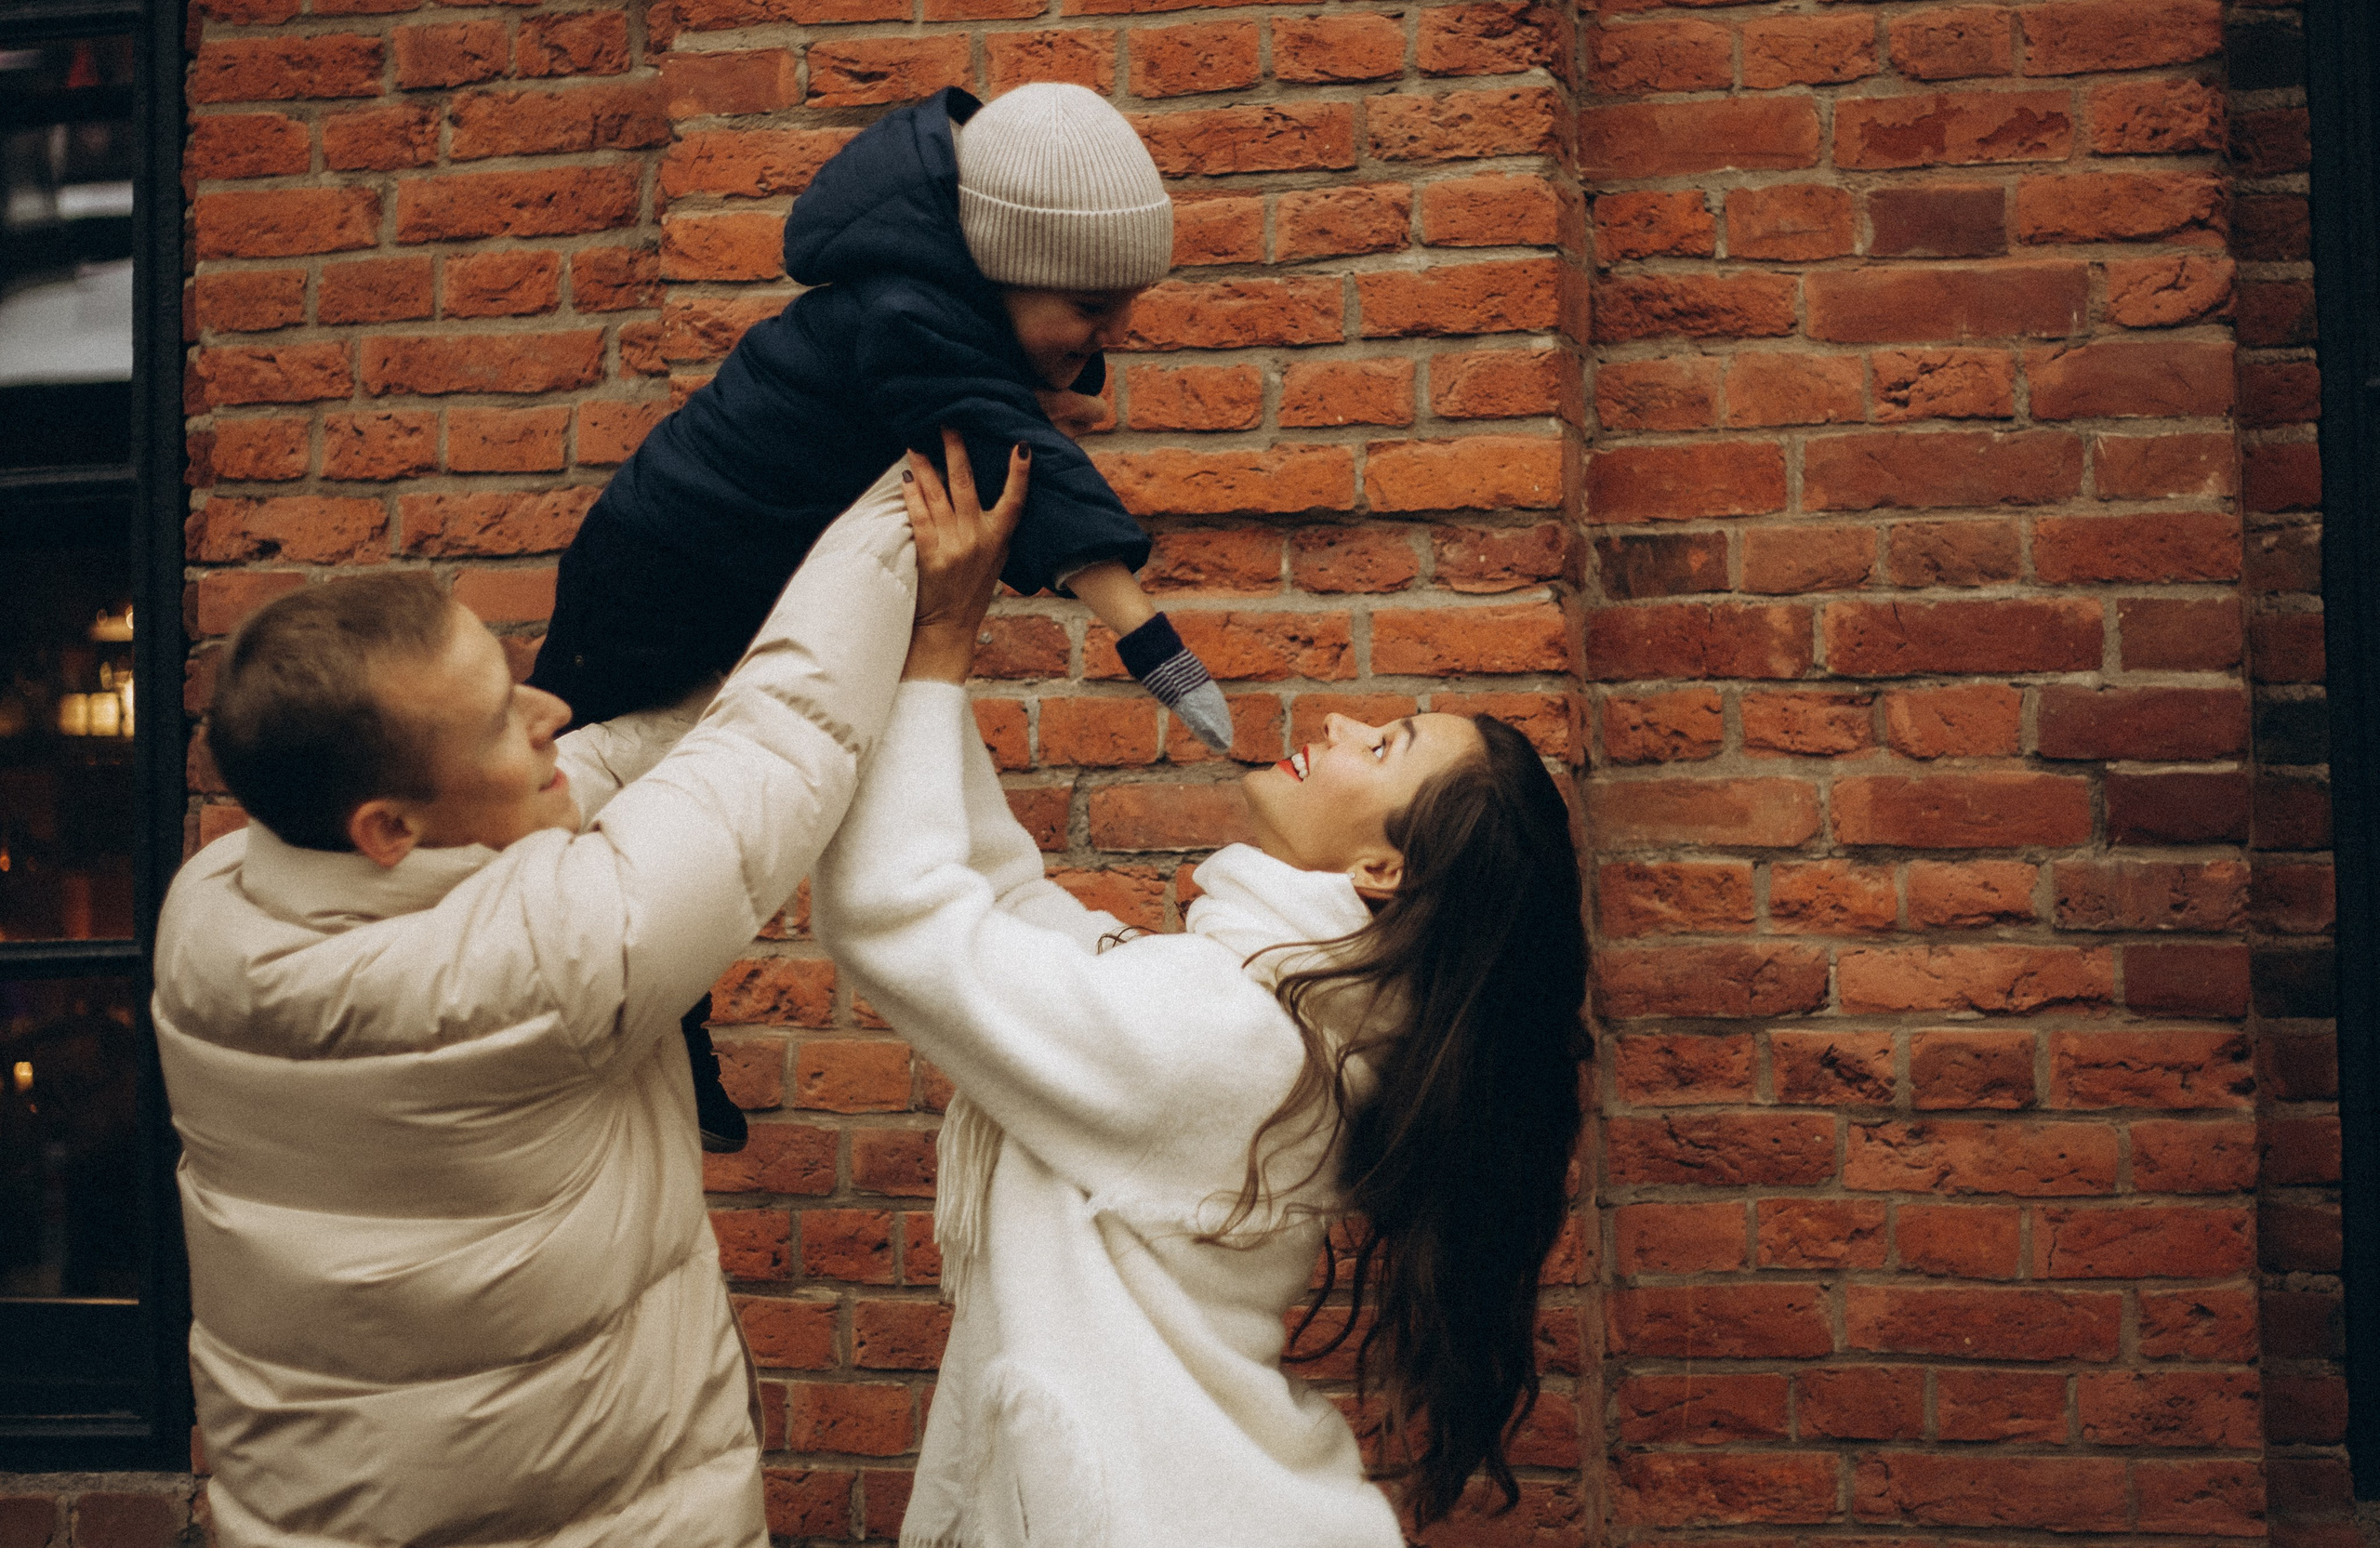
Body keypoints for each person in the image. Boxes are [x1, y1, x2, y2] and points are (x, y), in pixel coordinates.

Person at [814, 447, 1591, 1545]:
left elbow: (896, 916)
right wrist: (928, 642)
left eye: (1384, 745)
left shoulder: (1231, 1040)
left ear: (1382, 869)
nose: (1340, 724)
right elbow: (1004, 903)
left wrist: (940, 644)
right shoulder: (1263, 1014)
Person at [149, 471, 927, 1547]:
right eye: (499, 721)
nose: (550, 712)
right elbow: (780, 741)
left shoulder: (211, 908)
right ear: (388, 829)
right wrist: (914, 487)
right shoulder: (546, 961)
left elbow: (588, 772)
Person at [533, 79, 1229, 1156]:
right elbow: (1016, 455)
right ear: (998, 269)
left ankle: (664, 1027)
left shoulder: (928, 309)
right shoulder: (907, 317)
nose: (1115, 336)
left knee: (630, 799)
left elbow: (998, 415)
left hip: (705, 562)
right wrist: (1153, 644)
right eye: (1093, 308)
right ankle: (601, 1011)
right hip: (660, 576)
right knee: (573, 790)